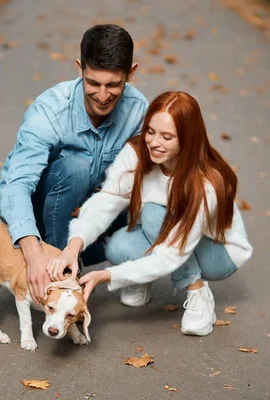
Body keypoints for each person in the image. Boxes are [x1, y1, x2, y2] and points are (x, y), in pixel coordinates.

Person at [49, 91, 253, 336]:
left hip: (218, 253)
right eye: (151, 132)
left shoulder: (204, 184)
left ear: (188, 140)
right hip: (168, 237)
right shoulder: (136, 154)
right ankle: (142, 279)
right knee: (117, 246)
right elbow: (106, 202)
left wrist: (108, 275)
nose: (155, 143)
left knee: (154, 214)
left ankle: (197, 290)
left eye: (167, 137)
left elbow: (170, 255)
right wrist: (74, 245)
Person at [0, 24, 148, 304]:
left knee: (146, 187)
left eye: (114, 85)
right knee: (76, 169)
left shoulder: (138, 111)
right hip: (44, 212)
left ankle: (106, 262)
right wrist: (34, 254)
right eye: (93, 83)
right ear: (80, 69)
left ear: (131, 73)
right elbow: (15, 186)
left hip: (91, 212)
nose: (103, 96)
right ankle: (56, 270)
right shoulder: (50, 110)